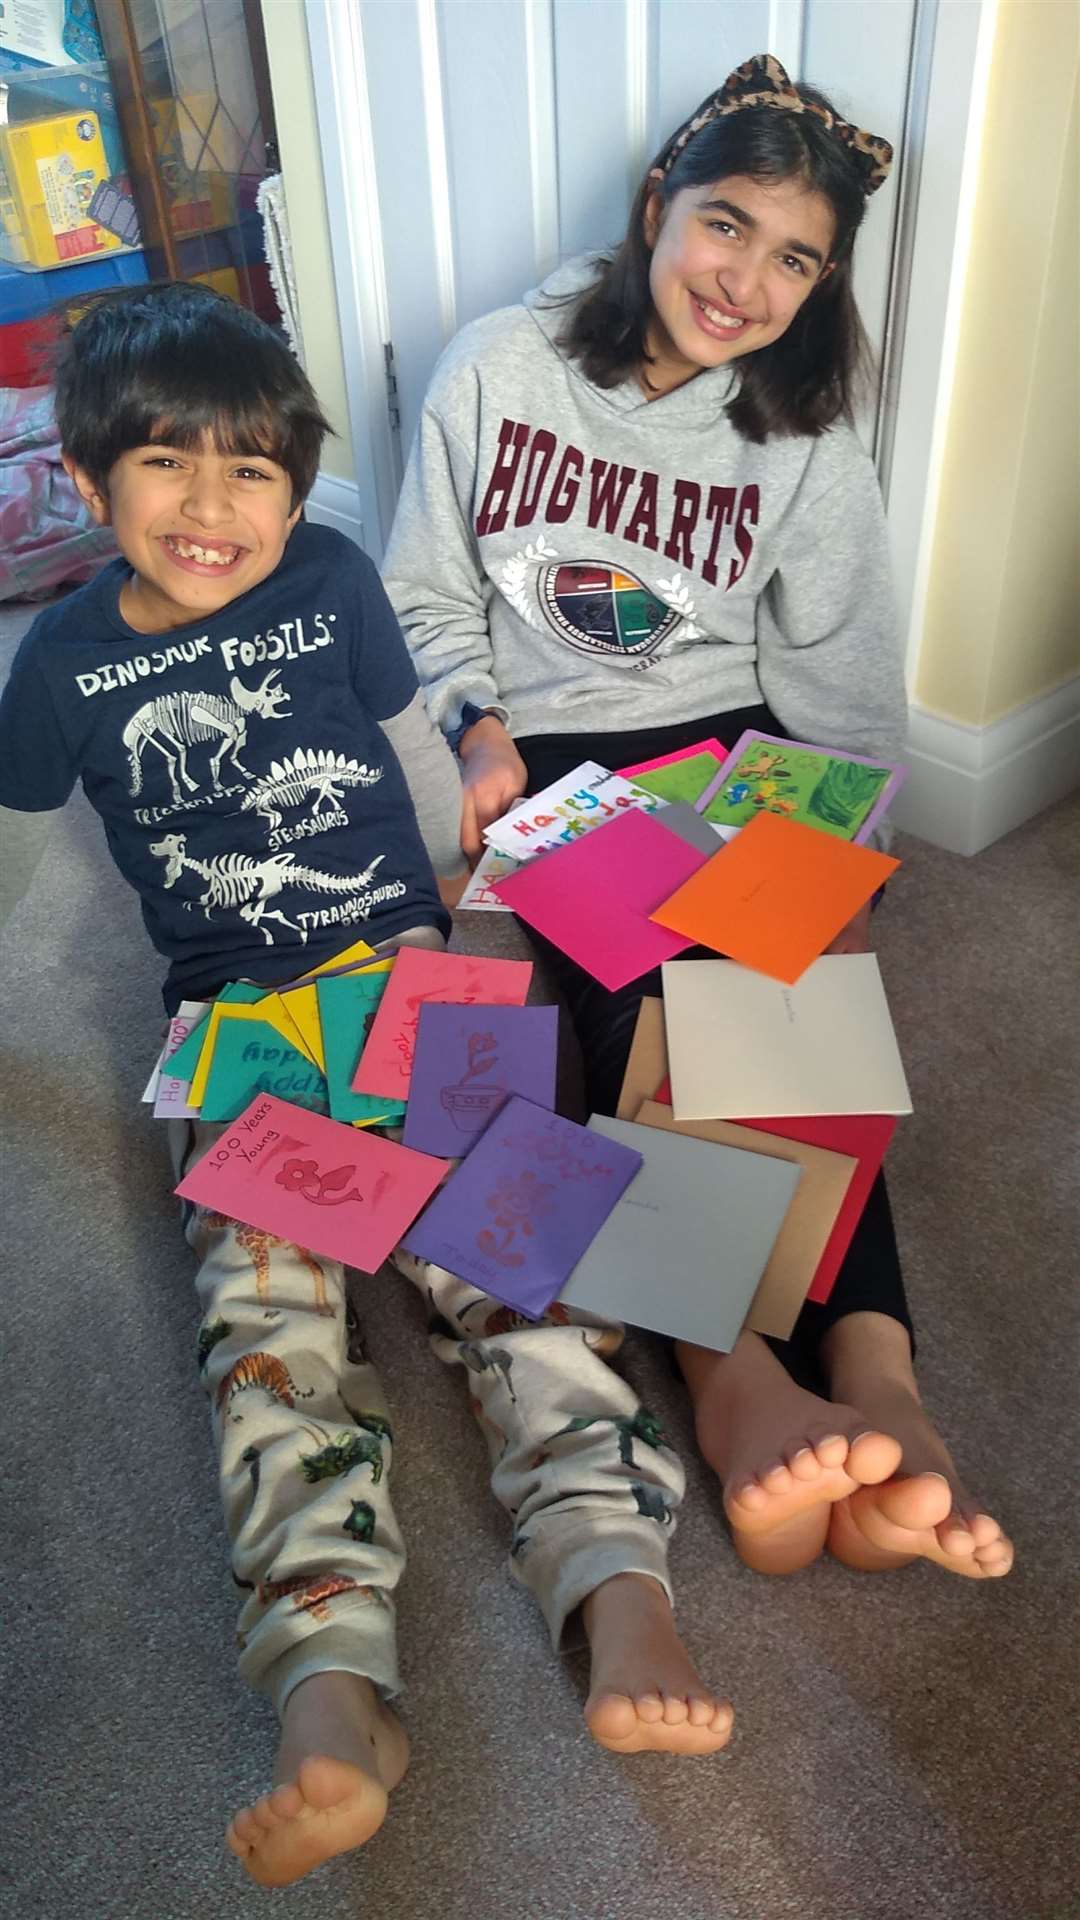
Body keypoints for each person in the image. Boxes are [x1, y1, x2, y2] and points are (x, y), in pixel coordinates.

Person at [0, 285, 733, 1891]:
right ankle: (335, 1694)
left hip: (412, 975)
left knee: (529, 1258)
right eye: (165, 467)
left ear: (297, 482)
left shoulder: (330, 579)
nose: (210, 506)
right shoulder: (55, 661)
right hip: (241, 1023)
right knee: (266, 1331)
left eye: (251, 469)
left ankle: (618, 1587)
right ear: (86, 477)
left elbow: (406, 746)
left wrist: (464, 923)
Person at [383, 54, 1013, 1591]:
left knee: (794, 996)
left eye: (795, 257)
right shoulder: (497, 364)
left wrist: (843, 847)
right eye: (725, 226)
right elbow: (419, 594)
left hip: (733, 754)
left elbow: (845, 680)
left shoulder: (802, 437)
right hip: (551, 758)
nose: (746, 280)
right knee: (638, 996)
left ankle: (880, 1380)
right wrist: (473, 737)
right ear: (658, 205)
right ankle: (736, 1381)